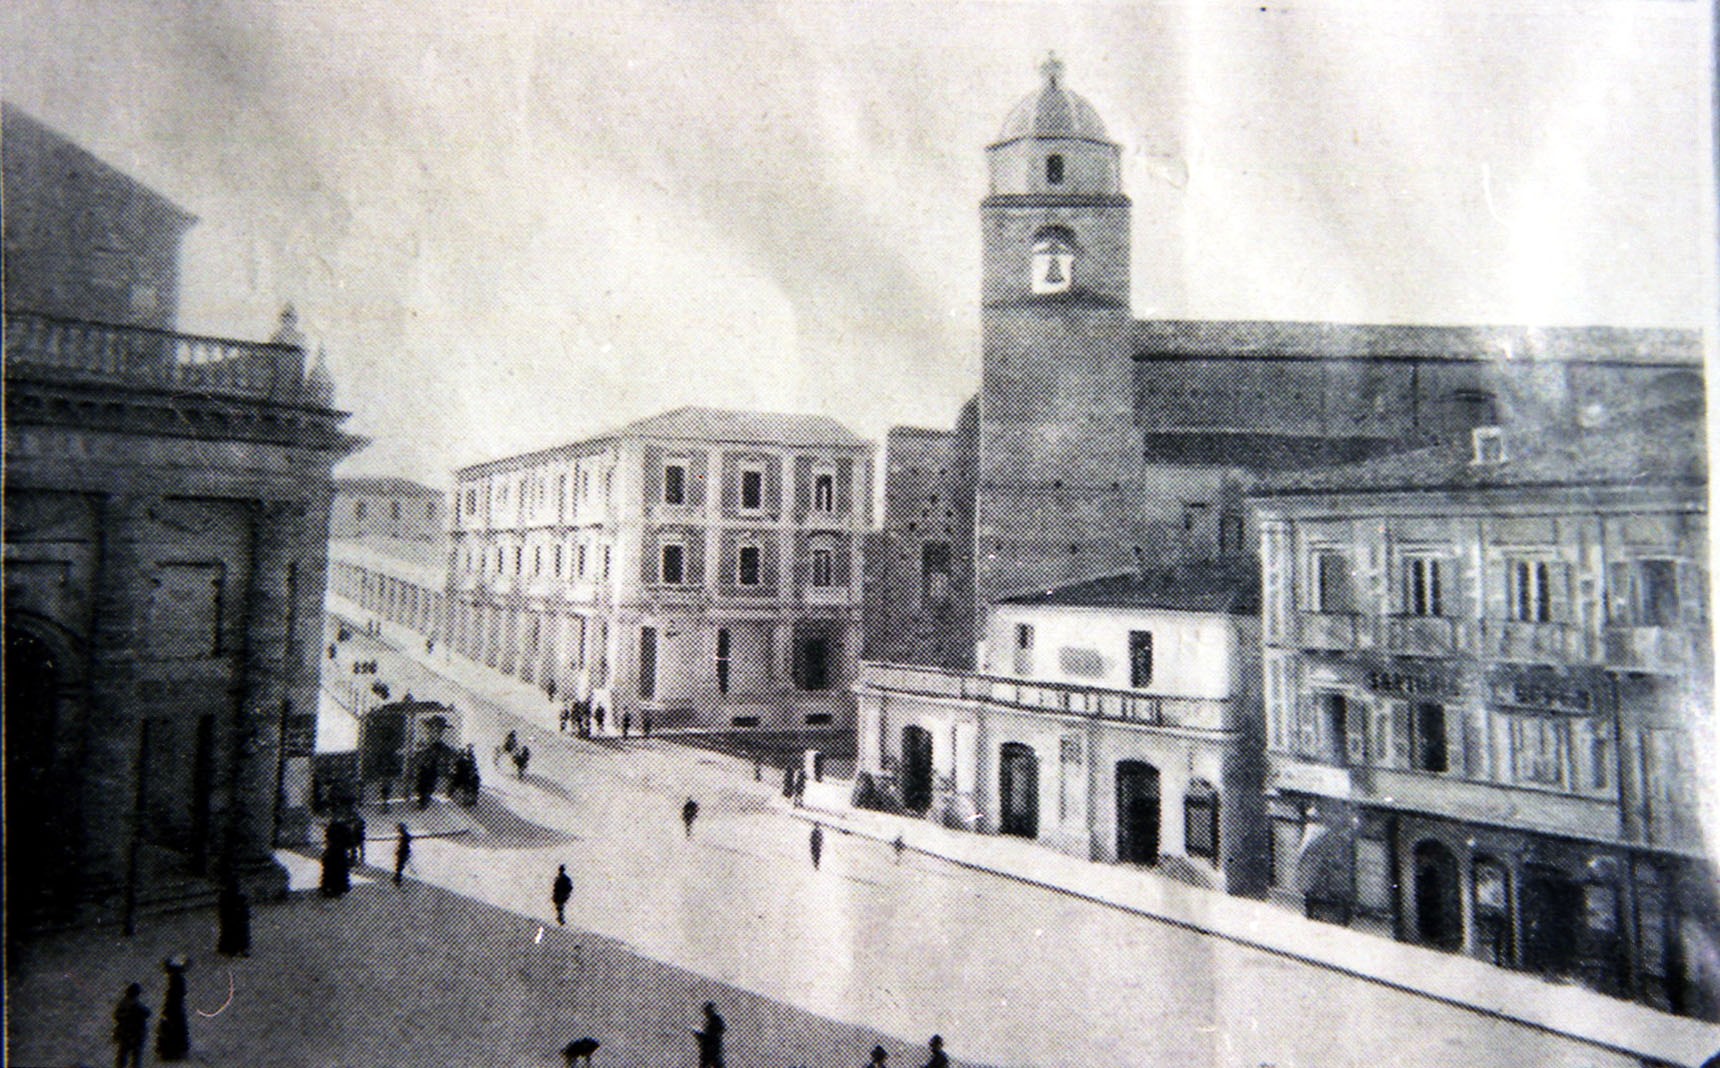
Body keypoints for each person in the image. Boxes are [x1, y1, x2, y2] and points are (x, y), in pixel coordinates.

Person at [155, 957, 191, 1061]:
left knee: (170, 1028)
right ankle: (175, 1051)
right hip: (176, 1009)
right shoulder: (178, 979)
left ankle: (170, 1052)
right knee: (176, 1028)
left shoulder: (175, 980)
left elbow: (173, 996)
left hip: (172, 1008)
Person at [112, 982, 150, 1068]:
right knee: (133, 1056)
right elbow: (147, 1013)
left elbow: (117, 1016)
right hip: (133, 1034)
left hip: (127, 1034)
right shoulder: (133, 1004)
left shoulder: (124, 1003)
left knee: (124, 1056)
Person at [216, 875, 251, 957]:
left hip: (235, 919)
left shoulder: (235, 897)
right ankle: (235, 948)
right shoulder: (236, 897)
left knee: (237, 930)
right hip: (232, 918)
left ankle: (235, 949)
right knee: (235, 931)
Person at [694, 1001, 725, 1068]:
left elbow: (710, 1036)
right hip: (712, 1048)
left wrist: (700, 1036)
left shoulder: (714, 1020)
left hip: (710, 1049)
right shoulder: (714, 1020)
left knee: (712, 1063)